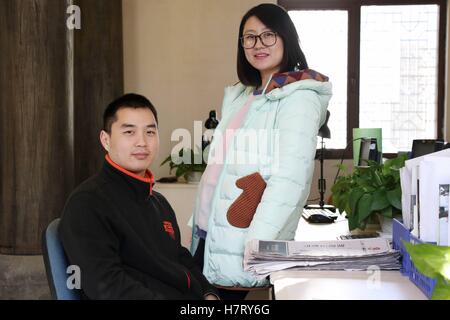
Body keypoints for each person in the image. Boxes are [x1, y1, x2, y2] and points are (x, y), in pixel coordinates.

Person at [191, 3, 332, 299]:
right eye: (250, 37)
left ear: (286, 39)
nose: (258, 44)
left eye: (269, 35)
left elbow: (289, 180)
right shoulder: (241, 95)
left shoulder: (298, 99)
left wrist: (257, 244)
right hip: (211, 233)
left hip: (242, 240)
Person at [59, 93, 219, 300]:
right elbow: (106, 287)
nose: (142, 142)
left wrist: (209, 293)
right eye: (129, 132)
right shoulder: (87, 203)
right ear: (105, 140)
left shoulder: (158, 202)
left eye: (150, 132)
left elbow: (180, 259)